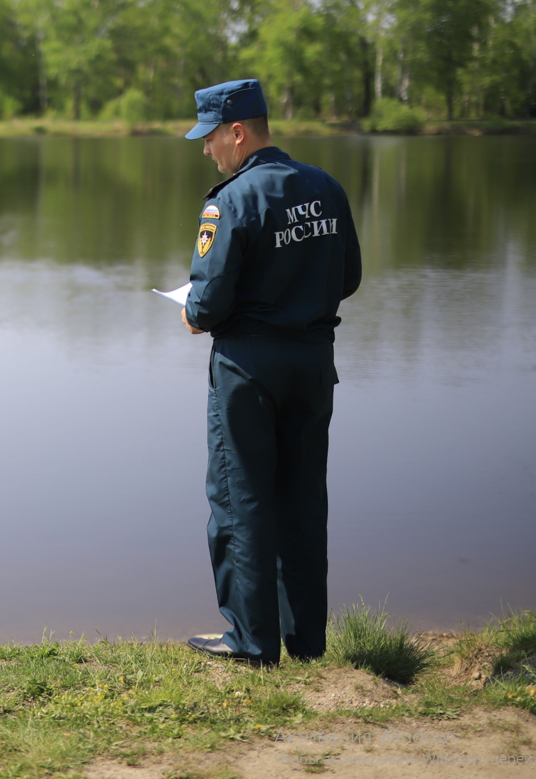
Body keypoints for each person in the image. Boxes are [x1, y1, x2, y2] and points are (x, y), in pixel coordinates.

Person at [179, 79, 362, 666]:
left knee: (241, 500)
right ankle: (306, 644)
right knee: (304, 501)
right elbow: (349, 279)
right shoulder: (326, 187)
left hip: (249, 371)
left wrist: (191, 310)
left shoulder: (228, 202)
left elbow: (206, 308)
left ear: (237, 132)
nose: (207, 150)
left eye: (210, 138)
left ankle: (251, 642)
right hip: (312, 363)